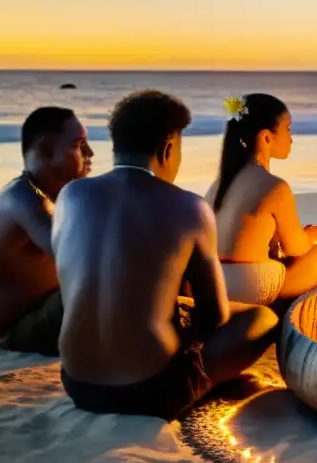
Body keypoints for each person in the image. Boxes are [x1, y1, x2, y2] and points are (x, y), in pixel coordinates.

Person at [55, 90, 278, 421]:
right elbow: (215, 315)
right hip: (151, 390)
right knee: (263, 319)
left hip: (78, 384)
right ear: (168, 149)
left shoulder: (70, 195)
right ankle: (206, 385)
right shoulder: (190, 207)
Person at [0, 107, 92, 356]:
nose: (89, 153)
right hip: (21, 330)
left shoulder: (48, 196)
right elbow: (74, 254)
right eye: (79, 145)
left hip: (47, 311)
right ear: (46, 151)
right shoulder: (24, 199)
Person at [205, 93, 317, 309]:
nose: (291, 138)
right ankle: (306, 320)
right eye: (288, 129)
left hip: (214, 282)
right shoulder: (274, 187)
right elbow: (297, 248)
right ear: (267, 137)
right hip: (249, 286)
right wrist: (312, 236)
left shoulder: (218, 185)